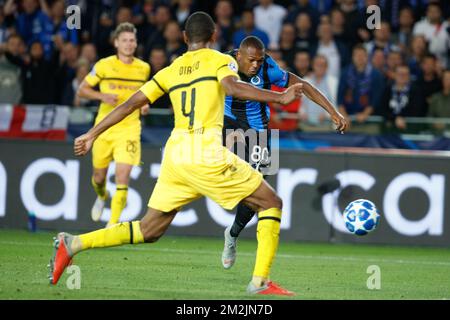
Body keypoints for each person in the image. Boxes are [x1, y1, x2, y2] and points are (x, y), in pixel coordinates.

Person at [49, 12, 322, 296]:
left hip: (175, 154)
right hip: (205, 151)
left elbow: (130, 104)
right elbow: (232, 86)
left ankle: (74, 243)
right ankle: (260, 282)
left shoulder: (170, 69)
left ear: (183, 38)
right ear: (214, 36)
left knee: (149, 229)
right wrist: (279, 97)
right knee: (271, 202)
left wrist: (92, 133)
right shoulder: (220, 60)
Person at [221, 36, 345, 269]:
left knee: (258, 188)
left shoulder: (269, 67)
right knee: (224, 179)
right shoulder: (223, 64)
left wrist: (333, 112)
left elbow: (304, 86)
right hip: (227, 128)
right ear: (239, 55)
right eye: (252, 60)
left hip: (259, 133)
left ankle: (233, 234)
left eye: (259, 60)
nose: (256, 65)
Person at [76, 22, 150, 227]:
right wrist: (102, 95)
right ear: (116, 43)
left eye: (132, 40)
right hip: (103, 128)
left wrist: (145, 105)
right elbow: (82, 90)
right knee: (99, 178)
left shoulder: (143, 68)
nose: (128, 44)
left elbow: (145, 94)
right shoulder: (103, 65)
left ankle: (112, 225)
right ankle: (102, 195)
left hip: (129, 129)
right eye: (124, 40)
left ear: (136, 43)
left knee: (122, 177)